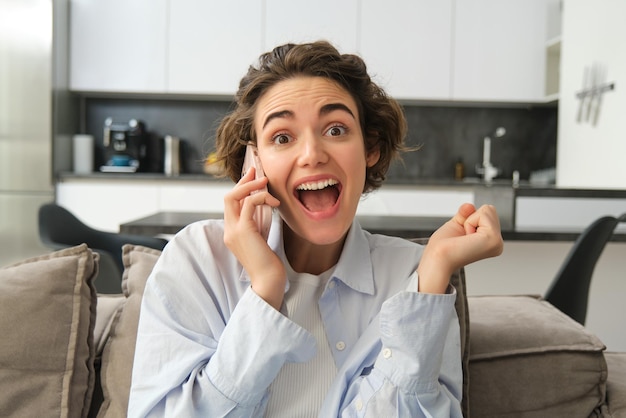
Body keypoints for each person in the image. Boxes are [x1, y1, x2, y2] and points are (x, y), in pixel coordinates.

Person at [128, 41, 503, 417]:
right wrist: (265, 290)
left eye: (336, 129)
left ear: (369, 147)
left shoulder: (415, 278)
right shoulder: (197, 260)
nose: (312, 154)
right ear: (254, 162)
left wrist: (433, 273)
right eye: (282, 137)